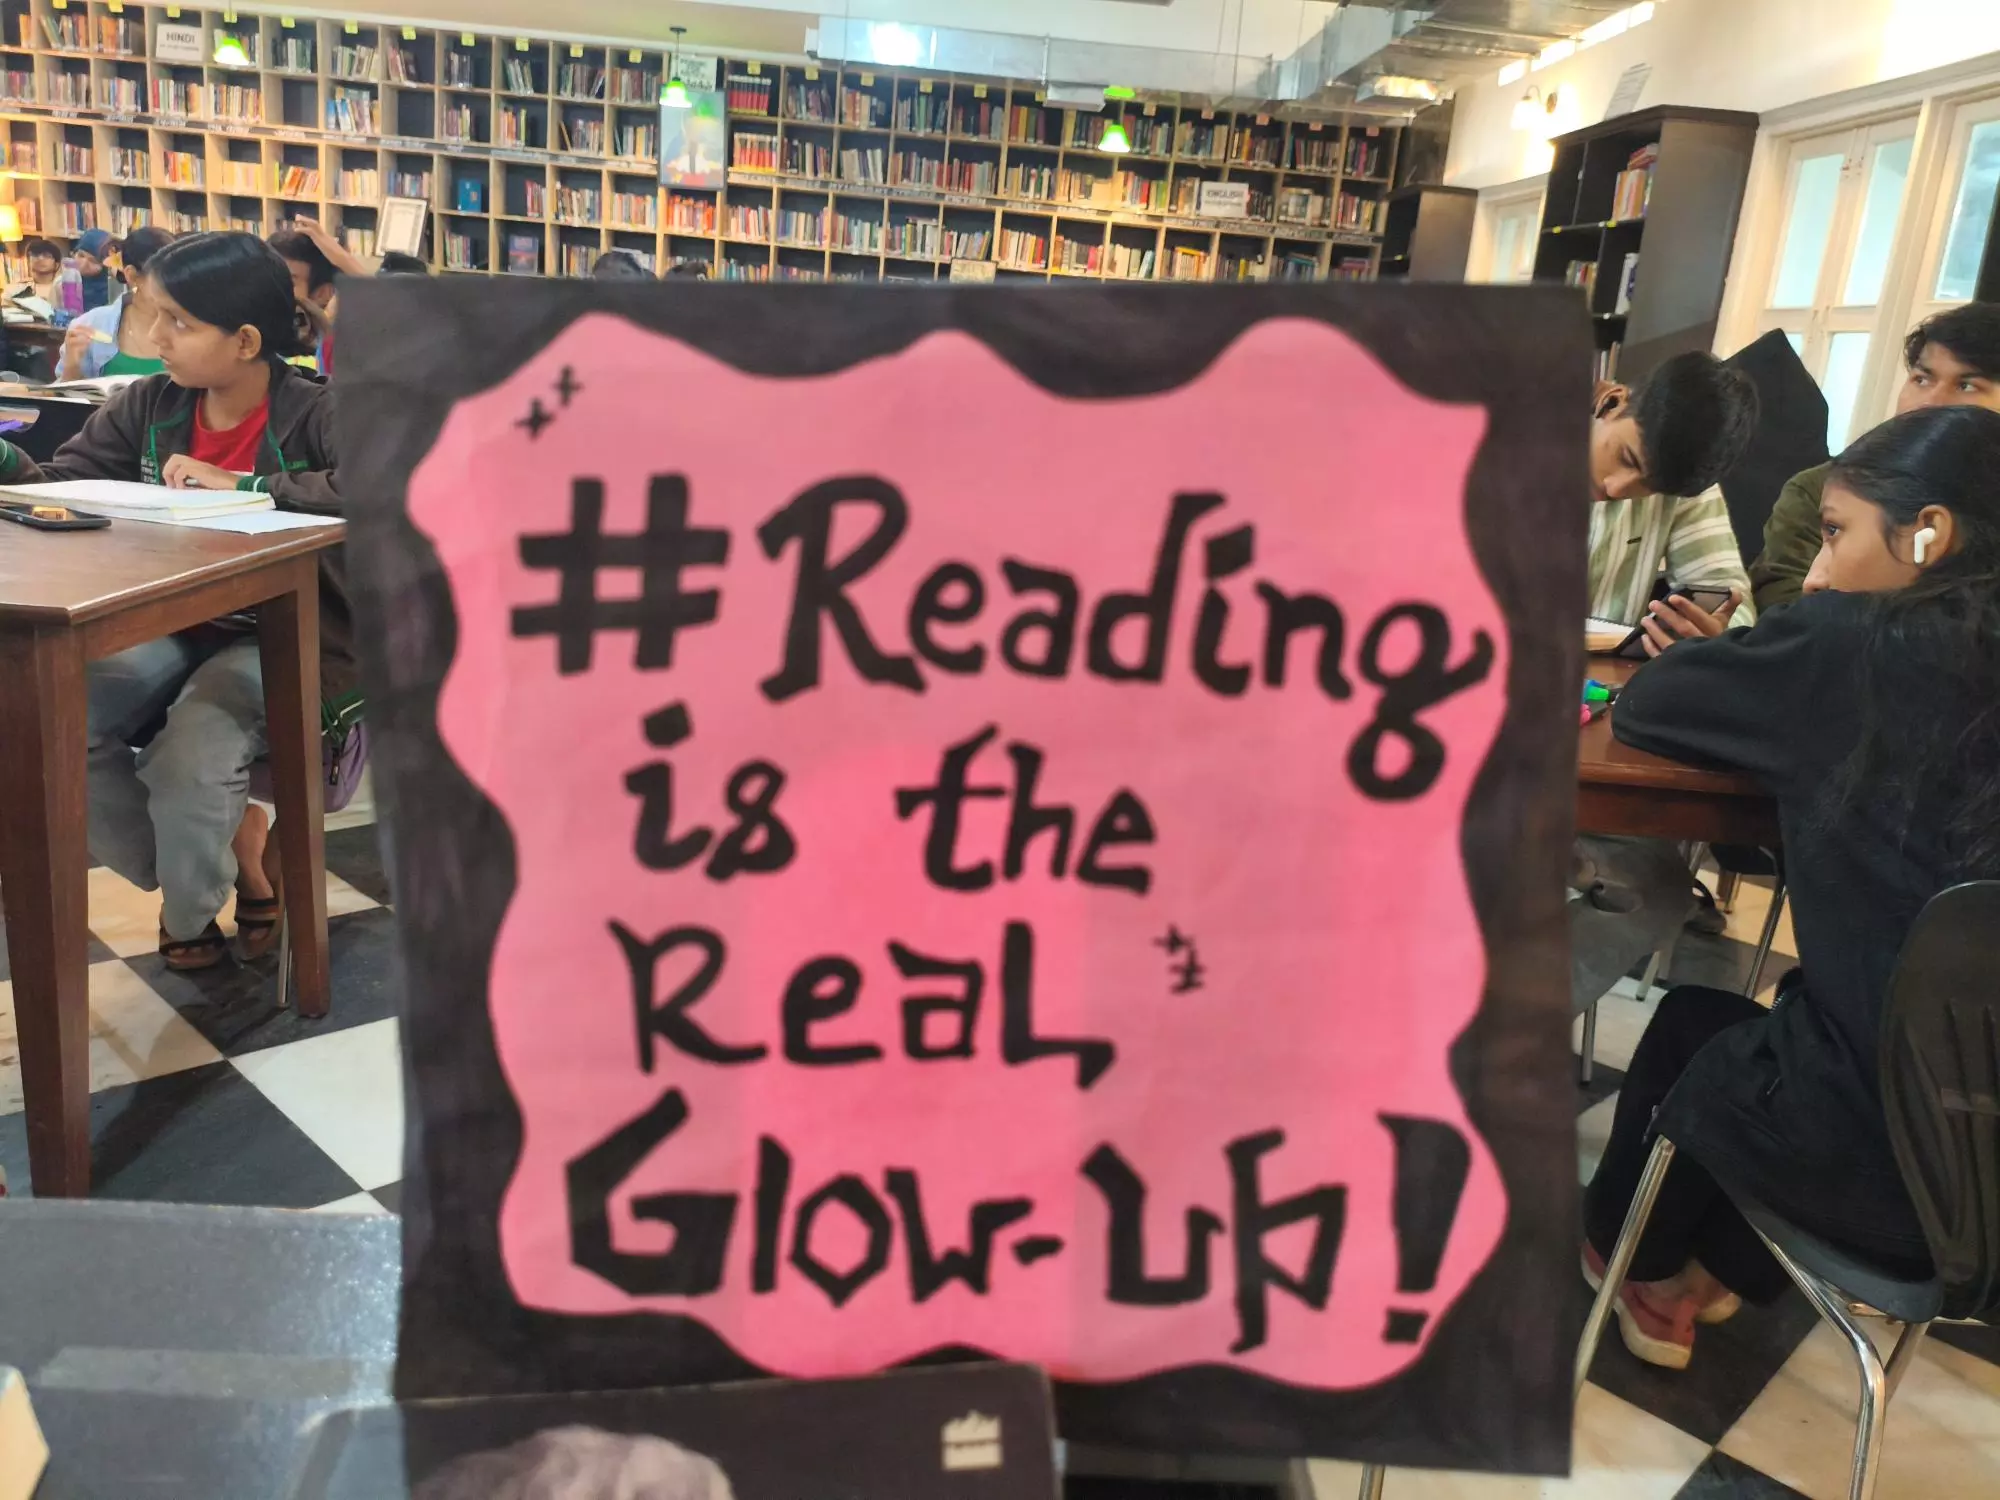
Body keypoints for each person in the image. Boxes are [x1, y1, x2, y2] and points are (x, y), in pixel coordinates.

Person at [1582, 403, 2000, 1369]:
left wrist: (1707, 652)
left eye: (1837, 534)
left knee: (1701, 1024)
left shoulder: (1855, 645)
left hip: (1882, 1183)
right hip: (1985, 1203)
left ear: (1926, 534)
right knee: (1817, 1020)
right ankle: (1707, 1278)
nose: (1815, 571)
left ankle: (1629, 1259)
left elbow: (1649, 706)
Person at [0, 232, 347, 971]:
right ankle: (220, 853)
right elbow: (66, 486)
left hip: (290, 631)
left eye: (179, 323)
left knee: (194, 756)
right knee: (39, 717)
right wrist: (6, 460)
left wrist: (253, 487)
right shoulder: (151, 404)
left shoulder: (318, 411)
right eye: (154, 317)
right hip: (174, 621)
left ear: (246, 340)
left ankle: (189, 908)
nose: (155, 338)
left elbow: (392, 487)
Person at [1749, 301, 2000, 612]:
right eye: (1921, 379)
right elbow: (1784, 615)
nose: (1929, 403)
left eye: (1966, 385)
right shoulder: (1825, 491)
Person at [1587, 350, 1761, 638]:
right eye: (1627, 457)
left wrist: (1717, 633)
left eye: (1649, 487)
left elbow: (1728, 594)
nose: (1617, 488)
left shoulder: (1681, 485)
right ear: (1613, 402)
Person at [58, 224, 173, 380]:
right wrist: (72, 367)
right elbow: (63, 398)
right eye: (163, 277)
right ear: (132, 276)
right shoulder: (90, 325)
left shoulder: (193, 323)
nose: (175, 286)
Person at [72, 227, 116, 311]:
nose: (84, 264)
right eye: (81, 255)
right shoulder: (64, 283)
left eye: (93, 261)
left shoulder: (113, 293)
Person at [10, 237, 62, 305]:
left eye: (46, 256)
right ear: (28, 261)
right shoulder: (17, 287)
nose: (40, 258)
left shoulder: (62, 288)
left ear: (57, 264)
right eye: (35, 255)